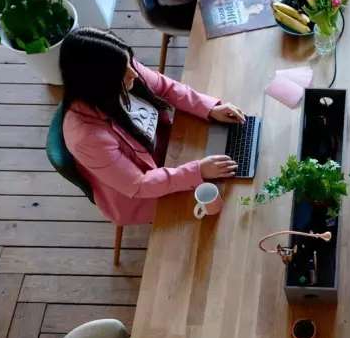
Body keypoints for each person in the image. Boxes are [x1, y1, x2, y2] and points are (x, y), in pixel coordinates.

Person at [60, 27, 246, 225]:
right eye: (125, 72)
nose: (135, 73)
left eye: (130, 62)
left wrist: (209, 109)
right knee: (227, 211)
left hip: (169, 151)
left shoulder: (120, 67)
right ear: (99, 83)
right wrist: (197, 171)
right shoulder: (87, 138)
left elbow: (166, 88)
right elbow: (138, 184)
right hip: (143, 193)